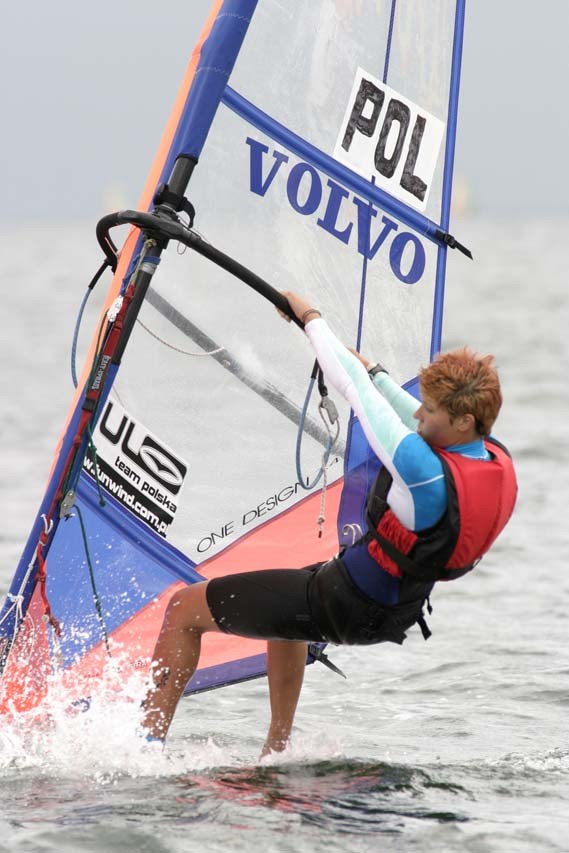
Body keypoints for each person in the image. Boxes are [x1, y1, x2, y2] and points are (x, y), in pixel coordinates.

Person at [141, 291, 517, 754]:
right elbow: (386, 397)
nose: (419, 413)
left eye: (431, 410)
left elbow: (351, 388)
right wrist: (374, 370)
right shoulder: (491, 458)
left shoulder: (421, 469)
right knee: (286, 605)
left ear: (461, 420)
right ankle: (275, 750)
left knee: (183, 609)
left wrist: (309, 316)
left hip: (345, 604)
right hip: (394, 610)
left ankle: (142, 749)